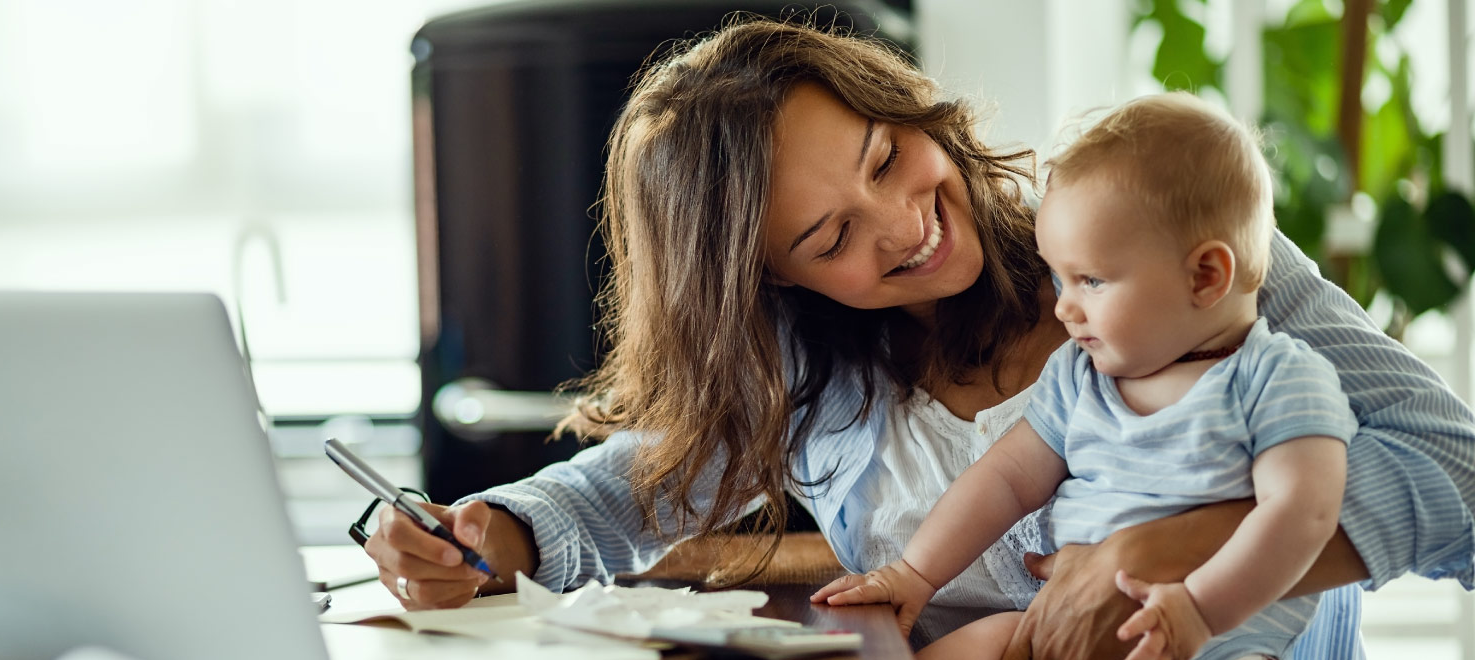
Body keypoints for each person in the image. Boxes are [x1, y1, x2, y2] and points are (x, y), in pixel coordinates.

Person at [363, 18, 1475, 659]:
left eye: (887, 156)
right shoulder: (809, 366)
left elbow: (1461, 477)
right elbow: (622, 490)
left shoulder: (1162, 244)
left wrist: (1162, 552)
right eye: (831, 233)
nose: (904, 225)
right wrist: (484, 534)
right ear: (769, 279)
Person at [811, 93, 1354, 660]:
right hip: (1059, 627)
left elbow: (1305, 515)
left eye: (1090, 281)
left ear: (1205, 276)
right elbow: (1006, 480)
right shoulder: (1081, 375)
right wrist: (914, 574)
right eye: (1060, 278)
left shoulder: (1279, 379)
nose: (1064, 308)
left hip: (1213, 639)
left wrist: (1199, 608)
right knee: (977, 645)